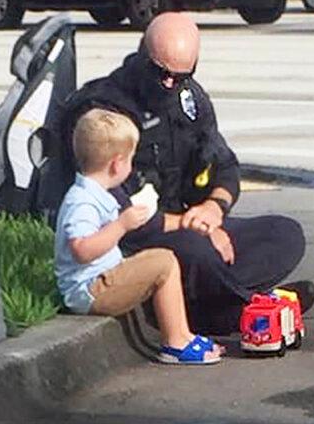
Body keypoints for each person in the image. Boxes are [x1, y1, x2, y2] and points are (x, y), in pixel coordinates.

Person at [61, 12, 314, 334]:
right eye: (160, 73)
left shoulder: (190, 98)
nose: (169, 83)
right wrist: (193, 227)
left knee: (284, 235)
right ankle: (245, 310)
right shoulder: (105, 113)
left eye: (180, 76)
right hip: (137, 238)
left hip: (195, 222)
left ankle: (212, 306)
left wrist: (213, 209)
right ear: (142, 55)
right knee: (200, 254)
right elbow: (121, 214)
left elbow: (224, 166)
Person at [54, 108, 223, 365]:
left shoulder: (96, 193)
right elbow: (82, 249)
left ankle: (184, 334)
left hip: (98, 280)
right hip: (90, 290)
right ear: (117, 163)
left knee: (160, 258)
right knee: (163, 262)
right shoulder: (83, 202)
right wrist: (122, 225)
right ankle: (175, 342)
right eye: (131, 159)